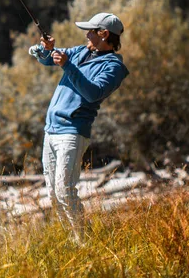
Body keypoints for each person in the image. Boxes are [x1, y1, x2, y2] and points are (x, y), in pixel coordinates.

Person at [29, 12, 129, 240]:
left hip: (72, 133)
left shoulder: (113, 67)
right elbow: (50, 59)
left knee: (66, 191)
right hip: (51, 130)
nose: (87, 34)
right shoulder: (81, 51)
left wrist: (68, 67)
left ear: (103, 35)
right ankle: (71, 240)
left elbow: (93, 93)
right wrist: (46, 50)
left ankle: (84, 241)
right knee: (54, 194)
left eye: (91, 31)